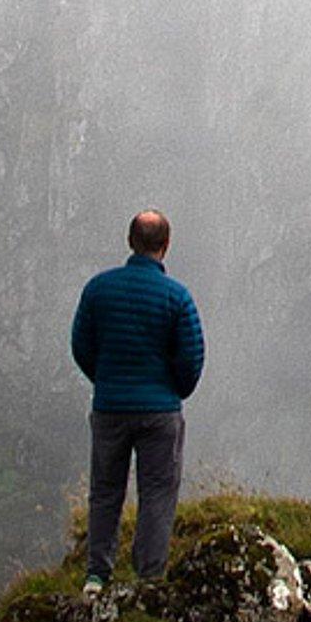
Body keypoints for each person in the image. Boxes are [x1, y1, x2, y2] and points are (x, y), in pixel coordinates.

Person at [69, 208, 205, 593]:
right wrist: (171, 390)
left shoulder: (98, 290)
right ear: (166, 245)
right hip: (160, 412)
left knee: (106, 489)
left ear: (130, 241)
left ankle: (97, 574)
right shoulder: (177, 297)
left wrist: (107, 380)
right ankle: (149, 577)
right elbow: (191, 357)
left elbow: (81, 345)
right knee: (158, 491)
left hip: (110, 408)